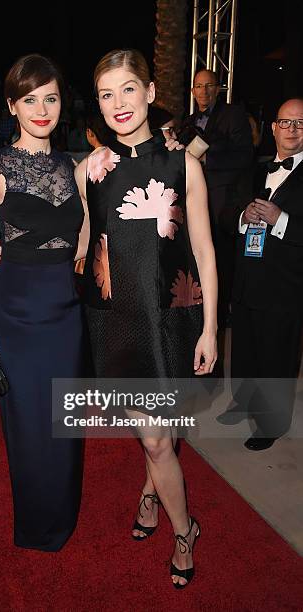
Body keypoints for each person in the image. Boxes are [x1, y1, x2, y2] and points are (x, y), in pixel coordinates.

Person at [75, 49, 217, 588]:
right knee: (155, 435)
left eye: (128, 89)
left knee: (158, 437)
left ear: (152, 93)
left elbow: (203, 248)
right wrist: (19, 252)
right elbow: (87, 241)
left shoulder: (185, 165)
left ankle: (184, 530)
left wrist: (208, 328)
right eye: (107, 94)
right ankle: (155, 493)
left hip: (171, 315)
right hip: (114, 319)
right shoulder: (91, 169)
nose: (119, 104)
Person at [0, 54, 89, 552]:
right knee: (28, 424)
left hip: (67, 312)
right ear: (12, 106)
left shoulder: (74, 166)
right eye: (30, 99)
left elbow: (82, 246)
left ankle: (62, 514)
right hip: (16, 312)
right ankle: (36, 525)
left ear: (63, 103)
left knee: (64, 423)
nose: (42, 109)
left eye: (52, 98)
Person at [217, 98, 303, 451]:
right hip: (247, 279)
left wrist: (279, 219)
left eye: (300, 123)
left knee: (276, 356)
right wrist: (242, 218)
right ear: (273, 128)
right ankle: (244, 401)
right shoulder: (254, 170)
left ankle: (272, 422)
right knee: (247, 350)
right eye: (285, 122)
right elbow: (224, 215)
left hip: (285, 285)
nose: (292, 130)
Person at [179, 69, 253, 330]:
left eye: (209, 86)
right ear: (193, 91)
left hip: (222, 206)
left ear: (218, 89)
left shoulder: (233, 115)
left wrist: (207, 160)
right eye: (199, 87)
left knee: (220, 264)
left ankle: (218, 321)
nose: (204, 92)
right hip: (193, 205)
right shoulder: (186, 122)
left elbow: (245, 156)